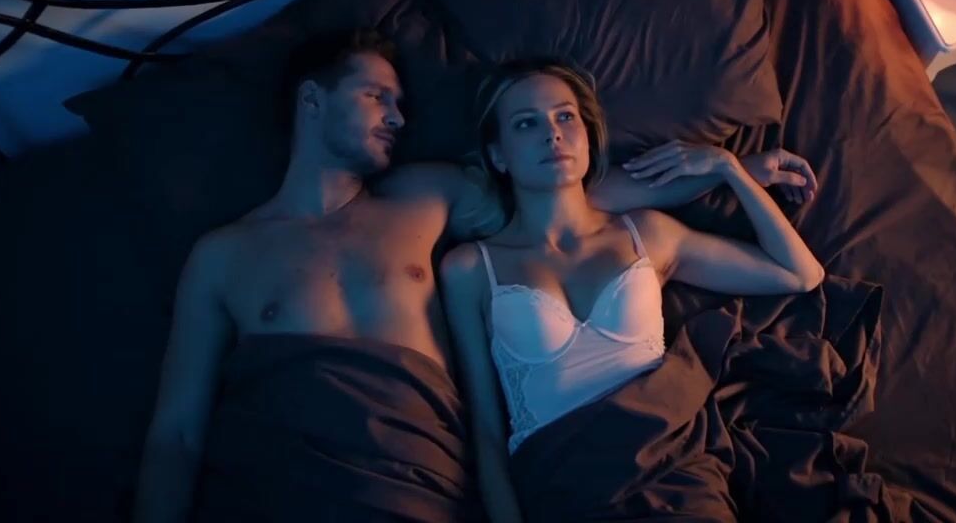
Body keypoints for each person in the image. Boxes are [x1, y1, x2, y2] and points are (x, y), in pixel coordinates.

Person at [132, 31, 818, 522]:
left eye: (401, 102)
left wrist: (726, 175)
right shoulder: (222, 256)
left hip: (420, 489)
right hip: (294, 489)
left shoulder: (427, 196)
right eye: (376, 97)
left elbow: (562, 200)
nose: (399, 117)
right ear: (311, 100)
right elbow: (176, 435)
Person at [440, 59, 825, 523]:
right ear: (499, 155)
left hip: (670, 481)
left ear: (587, 136)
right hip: (565, 488)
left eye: (565, 116)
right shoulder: (470, 269)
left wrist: (728, 169)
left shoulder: (647, 235)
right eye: (527, 123)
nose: (553, 134)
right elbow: (486, 430)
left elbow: (799, 273)